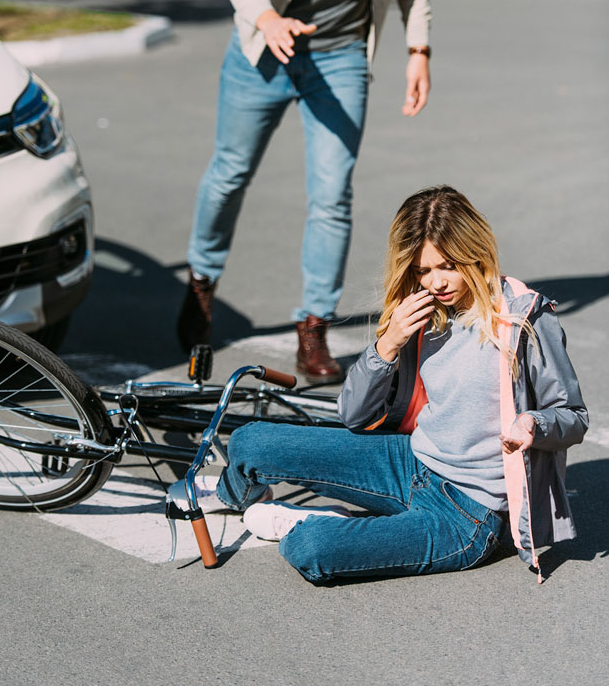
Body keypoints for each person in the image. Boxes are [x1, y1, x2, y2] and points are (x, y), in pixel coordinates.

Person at [171, 186, 588, 585]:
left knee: (311, 548)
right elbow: (352, 415)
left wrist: (533, 424)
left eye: (448, 266)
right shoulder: (424, 314)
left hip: (469, 515)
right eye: (423, 270)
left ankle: (336, 524)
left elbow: (573, 416)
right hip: (412, 464)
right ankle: (235, 494)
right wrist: (387, 344)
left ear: (474, 254)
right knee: (249, 442)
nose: (436, 282)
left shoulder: (524, 319)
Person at [177, 0, 432, 383]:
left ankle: (313, 328)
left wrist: (419, 48)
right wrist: (266, 19)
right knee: (229, 173)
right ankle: (202, 279)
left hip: (340, 53)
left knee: (332, 195)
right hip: (265, 47)